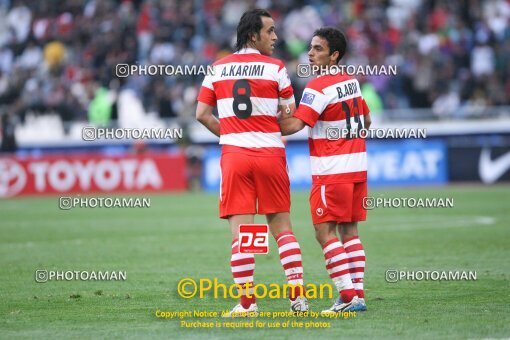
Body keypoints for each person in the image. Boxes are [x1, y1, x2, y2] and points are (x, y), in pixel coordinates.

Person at [196, 8, 308, 316]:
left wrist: (232, 132)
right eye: (269, 31)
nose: (275, 37)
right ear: (252, 35)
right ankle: (298, 298)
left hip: (235, 156)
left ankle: (247, 304)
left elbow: (201, 115)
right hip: (271, 154)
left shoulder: (217, 68)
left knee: (244, 234)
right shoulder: (276, 69)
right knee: (283, 229)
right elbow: (287, 119)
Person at [280, 27, 371, 313]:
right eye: (310, 47)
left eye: (318, 48)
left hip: (331, 170)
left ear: (334, 55)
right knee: (350, 231)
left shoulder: (317, 87)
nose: (310, 53)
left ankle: (346, 297)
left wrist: (259, 122)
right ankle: (358, 295)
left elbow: (295, 124)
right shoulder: (351, 82)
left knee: (323, 232)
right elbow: (366, 120)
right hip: (357, 166)